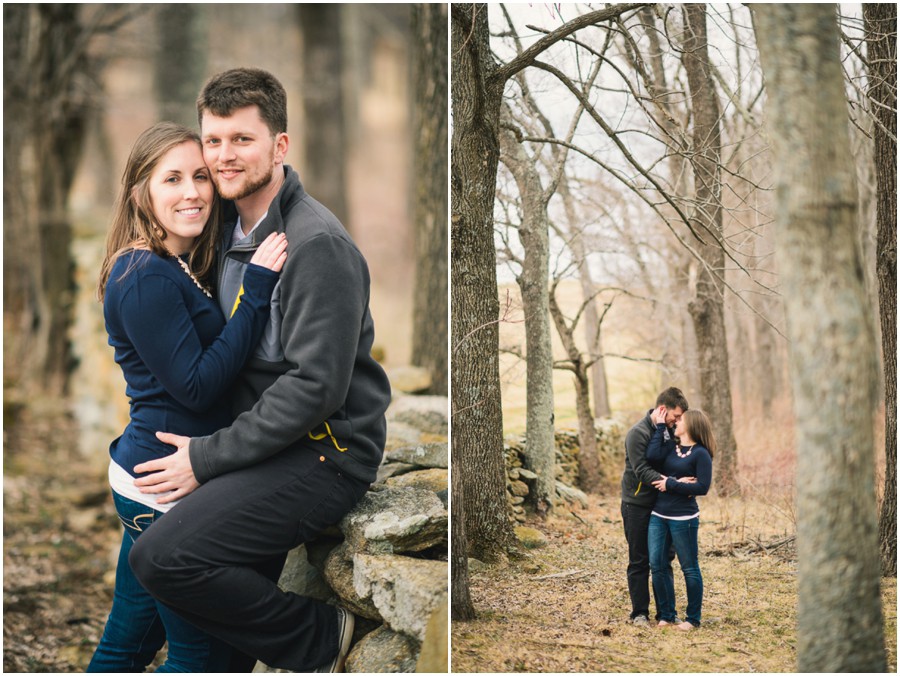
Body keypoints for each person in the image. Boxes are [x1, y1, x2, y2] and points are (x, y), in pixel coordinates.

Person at [126, 68, 393, 673]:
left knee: (161, 559)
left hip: (324, 453)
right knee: (211, 646)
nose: (223, 157)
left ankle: (324, 635)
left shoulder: (315, 245)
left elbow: (315, 387)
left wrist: (206, 457)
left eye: (242, 140)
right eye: (213, 140)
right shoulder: (224, 226)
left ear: (280, 146)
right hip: (261, 444)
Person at [88, 122, 288, 672]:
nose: (193, 192)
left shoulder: (175, 263)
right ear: (140, 193)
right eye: (171, 178)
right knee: (201, 659)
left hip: (161, 476)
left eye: (200, 176)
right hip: (163, 484)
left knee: (127, 644)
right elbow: (196, 386)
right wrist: (256, 294)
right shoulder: (143, 275)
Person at [619, 387, 688, 627]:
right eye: (675, 416)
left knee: (663, 559)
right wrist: (671, 483)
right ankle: (639, 613)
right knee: (639, 559)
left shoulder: (668, 431)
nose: (677, 421)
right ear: (662, 409)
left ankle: (666, 613)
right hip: (636, 504)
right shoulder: (636, 433)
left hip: (662, 505)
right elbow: (642, 471)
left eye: (679, 418)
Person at [646, 408, 715, 630]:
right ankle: (666, 615)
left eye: (680, 420)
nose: (676, 422)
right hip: (659, 514)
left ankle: (693, 619)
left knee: (689, 568)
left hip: (684, 517)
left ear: (692, 425)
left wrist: (671, 484)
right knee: (657, 565)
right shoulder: (669, 447)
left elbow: (702, 487)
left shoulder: (701, 454)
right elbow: (651, 457)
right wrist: (658, 427)